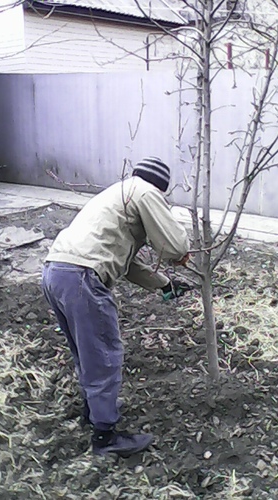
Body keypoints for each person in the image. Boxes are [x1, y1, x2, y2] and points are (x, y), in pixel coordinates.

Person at [42, 157, 190, 457]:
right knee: (105, 356)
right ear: (160, 187)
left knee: (86, 352)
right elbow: (175, 247)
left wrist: (164, 285)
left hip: (56, 272)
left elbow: (125, 262)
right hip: (82, 277)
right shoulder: (146, 192)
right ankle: (105, 438)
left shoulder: (119, 195)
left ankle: (93, 411)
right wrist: (179, 254)